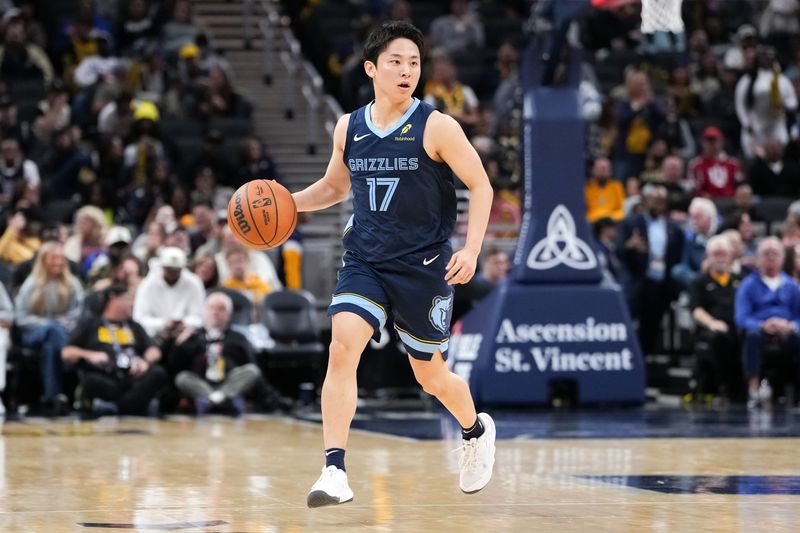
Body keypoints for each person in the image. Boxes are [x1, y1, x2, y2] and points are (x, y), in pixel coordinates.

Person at [290, 22, 496, 507]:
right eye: (396, 62)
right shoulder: (349, 126)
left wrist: (471, 249)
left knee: (430, 375)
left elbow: (482, 186)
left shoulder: (437, 126)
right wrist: (287, 203)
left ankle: (475, 430)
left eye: (414, 63)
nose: (407, 71)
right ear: (371, 69)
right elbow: (336, 187)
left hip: (423, 267)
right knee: (343, 348)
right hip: (364, 258)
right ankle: (334, 470)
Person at [62, 284, 166, 416]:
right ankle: (132, 406)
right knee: (91, 381)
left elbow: (154, 351)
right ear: (113, 299)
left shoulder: (134, 326)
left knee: (158, 372)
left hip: (133, 377)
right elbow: (66, 352)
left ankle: (120, 407)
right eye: (127, 299)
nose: (131, 304)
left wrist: (144, 362)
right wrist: (90, 355)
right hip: (106, 376)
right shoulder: (91, 324)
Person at [14, 242, 83, 414]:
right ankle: (60, 390)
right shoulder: (31, 284)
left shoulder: (73, 284)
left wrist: (62, 324)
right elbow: (20, 317)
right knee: (52, 330)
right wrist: (47, 324)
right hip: (33, 333)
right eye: (53, 258)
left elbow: (78, 313)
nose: (58, 262)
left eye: (61, 258)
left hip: (62, 332)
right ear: (44, 260)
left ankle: (52, 395)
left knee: (51, 344)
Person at [735, 237, 800, 409]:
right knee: (752, 336)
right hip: (760, 330)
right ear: (757, 259)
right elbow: (741, 317)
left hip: (787, 330)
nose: (771, 257)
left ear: (782, 258)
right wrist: (763, 324)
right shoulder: (748, 285)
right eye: (766, 253)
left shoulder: (792, 286)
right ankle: (753, 389)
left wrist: (791, 326)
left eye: (775, 253)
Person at [172, 292, 262, 415]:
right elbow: (176, 364)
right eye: (212, 308)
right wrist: (179, 344)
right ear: (204, 311)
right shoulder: (193, 336)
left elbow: (251, 365)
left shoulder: (239, 338)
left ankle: (214, 400)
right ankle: (222, 400)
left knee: (252, 371)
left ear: (229, 314)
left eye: (221, 309)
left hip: (229, 383)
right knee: (182, 378)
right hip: (201, 383)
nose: (215, 312)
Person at [689, 235, 743, 402]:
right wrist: (712, 323)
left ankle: (744, 387)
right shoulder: (700, 281)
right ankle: (723, 385)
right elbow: (696, 309)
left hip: (737, 326)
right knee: (719, 338)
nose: (720, 258)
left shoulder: (740, 280)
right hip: (711, 328)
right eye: (716, 254)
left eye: (723, 254)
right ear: (709, 256)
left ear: (730, 256)